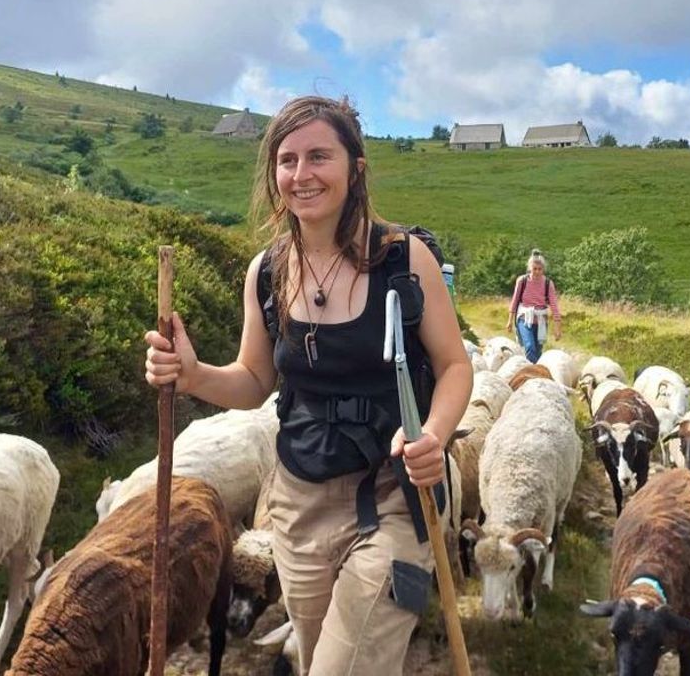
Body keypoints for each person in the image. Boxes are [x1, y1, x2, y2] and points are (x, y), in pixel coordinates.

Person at [143, 95, 472, 675]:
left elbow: (454, 367)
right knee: (320, 657)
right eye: (287, 160)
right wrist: (191, 374)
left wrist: (436, 435)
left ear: (355, 167)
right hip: (297, 506)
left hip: (395, 494)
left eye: (319, 156)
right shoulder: (267, 272)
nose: (302, 174)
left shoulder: (404, 260)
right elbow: (253, 382)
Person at [507, 249, 562, 362]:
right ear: (529, 268)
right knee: (529, 347)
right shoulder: (522, 281)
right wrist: (509, 321)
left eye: (539, 269)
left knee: (537, 351)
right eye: (534, 269)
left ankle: (535, 371)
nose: (537, 272)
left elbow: (554, 306)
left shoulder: (548, 284)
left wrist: (557, 328)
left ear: (543, 269)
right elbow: (515, 300)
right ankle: (533, 374)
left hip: (541, 321)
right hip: (524, 318)